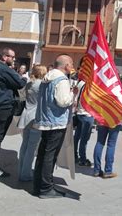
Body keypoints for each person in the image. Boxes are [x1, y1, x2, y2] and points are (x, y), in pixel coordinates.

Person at [33, 54, 74, 198]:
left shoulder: (47, 77)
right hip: (56, 122)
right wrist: (72, 95)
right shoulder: (61, 80)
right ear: (66, 65)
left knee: (43, 153)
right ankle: (46, 188)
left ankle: (38, 184)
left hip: (45, 120)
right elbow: (62, 101)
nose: (72, 67)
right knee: (49, 155)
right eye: (71, 63)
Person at [0, 47, 27, 177]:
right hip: (3, 108)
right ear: (4, 57)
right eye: (12, 57)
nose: (13, 59)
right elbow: (19, 83)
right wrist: (24, 78)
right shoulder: (4, 69)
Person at [17, 64, 47, 182]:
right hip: (35, 116)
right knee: (31, 148)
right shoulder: (41, 85)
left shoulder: (29, 83)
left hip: (26, 114)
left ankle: (22, 171)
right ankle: (26, 174)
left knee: (25, 145)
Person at [73, 79, 94, 167]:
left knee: (77, 136)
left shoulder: (80, 82)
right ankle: (82, 159)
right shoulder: (92, 84)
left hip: (80, 112)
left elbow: (75, 96)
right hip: (87, 114)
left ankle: (74, 155)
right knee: (84, 139)